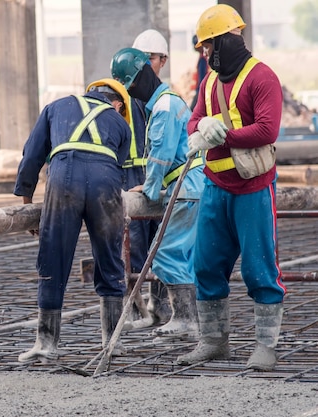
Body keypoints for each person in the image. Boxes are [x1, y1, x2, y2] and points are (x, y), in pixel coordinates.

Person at [176, 4, 286, 371]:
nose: (205, 54)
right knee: (205, 265)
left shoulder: (261, 77)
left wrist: (221, 135)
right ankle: (213, 341)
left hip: (252, 190)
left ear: (223, 41)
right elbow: (193, 122)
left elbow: (268, 130)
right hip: (215, 189)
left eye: (207, 47)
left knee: (259, 269)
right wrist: (200, 131)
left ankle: (266, 346)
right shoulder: (209, 82)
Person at [14, 79, 131, 363]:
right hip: (105, 181)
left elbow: (32, 154)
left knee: (53, 254)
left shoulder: (56, 107)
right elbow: (124, 171)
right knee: (110, 257)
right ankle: (111, 341)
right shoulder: (120, 123)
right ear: (117, 104)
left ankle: (46, 342)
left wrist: (27, 201)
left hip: (64, 178)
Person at [111, 47, 205, 340]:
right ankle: (189, 320)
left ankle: (186, 320)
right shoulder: (169, 100)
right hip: (192, 184)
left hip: (186, 187)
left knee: (166, 255)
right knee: (183, 255)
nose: (132, 95)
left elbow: (161, 155)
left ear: (140, 77)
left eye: (131, 87)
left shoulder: (163, 108)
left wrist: (149, 189)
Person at [125, 29, 172, 328]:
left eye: (150, 59)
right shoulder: (123, 98)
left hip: (161, 179)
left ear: (163, 61)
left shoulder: (167, 99)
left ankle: (161, 308)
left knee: (163, 243)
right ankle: (135, 308)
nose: (144, 65)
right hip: (130, 178)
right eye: (140, 59)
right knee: (133, 246)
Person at [190, 34, 209, 110]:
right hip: (201, 89)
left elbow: (202, 77)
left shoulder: (203, 59)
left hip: (202, 90)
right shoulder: (202, 57)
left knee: (192, 110)